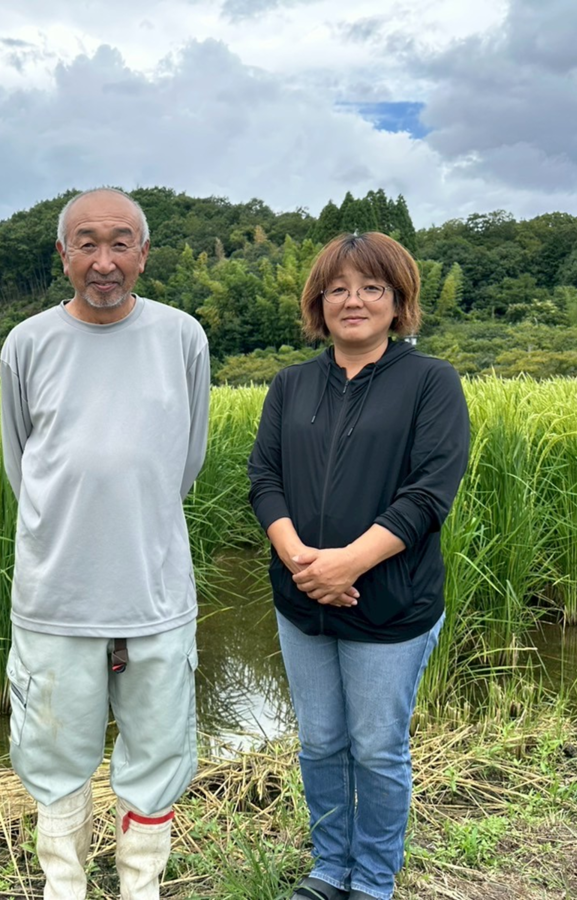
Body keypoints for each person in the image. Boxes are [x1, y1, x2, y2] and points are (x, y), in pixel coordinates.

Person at [0, 187, 210, 900]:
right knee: (52, 754)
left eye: (121, 242)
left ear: (144, 254)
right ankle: (67, 887)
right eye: (86, 243)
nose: (104, 260)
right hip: (56, 592)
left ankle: (140, 885)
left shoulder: (183, 337)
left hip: (154, 589)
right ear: (62, 256)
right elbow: (22, 464)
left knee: (159, 750)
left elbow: (184, 462)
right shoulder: (26, 344)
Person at [247, 232, 470, 900]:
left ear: (398, 301)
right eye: (338, 288)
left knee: (376, 748)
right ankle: (328, 869)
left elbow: (429, 493)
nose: (354, 300)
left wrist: (348, 564)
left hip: (391, 604)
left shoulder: (430, 382)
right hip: (302, 602)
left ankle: (372, 880)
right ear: (318, 302)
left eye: (372, 287)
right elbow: (264, 478)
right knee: (318, 743)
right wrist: (302, 563)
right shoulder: (291, 385)